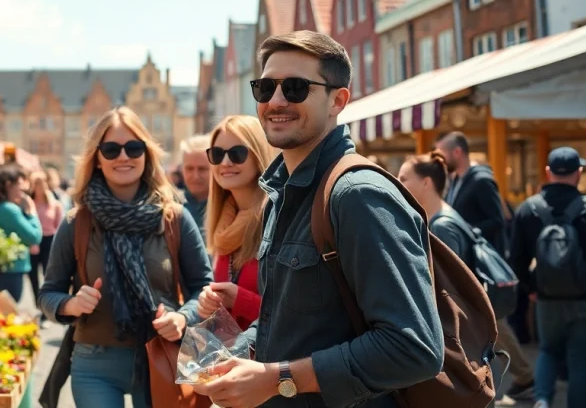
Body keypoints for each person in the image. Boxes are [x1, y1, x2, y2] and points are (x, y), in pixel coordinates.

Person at [194, 30, 443, 408]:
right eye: (265, 88)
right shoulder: (282, 195)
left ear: (337, 100)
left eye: (295, 88)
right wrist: (235, 355)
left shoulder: (356, 194)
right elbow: (284, 324)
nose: (276, 101)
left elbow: (414, 348)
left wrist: (278, 379)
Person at [37, 106, 212, 408]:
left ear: (146, 156)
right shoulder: (76, 222)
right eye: (111, 149)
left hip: (161, 355)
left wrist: (182, 317)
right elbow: (48, 293)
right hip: (94, 363)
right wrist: (70, 304)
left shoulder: (174, 218)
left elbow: (203, 287)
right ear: (97, 159)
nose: (123, 156)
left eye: (134, 148)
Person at [399, 151, 535, 404]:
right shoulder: (443, 217)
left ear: (426, 182)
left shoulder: (442, 226)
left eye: (404, 178)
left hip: (461, 335)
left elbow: (445, 289)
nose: (398, 182)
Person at [509, 147, 586, 408]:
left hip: (547, 298)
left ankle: (542, 401)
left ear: (548, 173)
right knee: (580, 360)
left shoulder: (529, 209)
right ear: (579, 173)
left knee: (547, 351)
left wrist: (531, 288)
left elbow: (515, 259)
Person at [196, 115, 273, 330]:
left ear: (258, 156)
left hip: (272, 360)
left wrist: (240, 300)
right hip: (233, 356)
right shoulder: (223, 225)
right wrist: (207, 304)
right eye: (217, 154)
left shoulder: (276, 218)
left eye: (237, 153)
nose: (226, 162)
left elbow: (295, 314)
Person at [435, 131, 509, 253]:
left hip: (482, 257)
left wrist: (467, 231)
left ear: (457, 152)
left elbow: (497, 221)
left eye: (442, 155)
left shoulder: (481, 181)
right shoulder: (455, 181)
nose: (440, 160)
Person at [0, 165, 42, 303]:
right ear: (8, 185)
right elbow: (34, 237)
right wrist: (31, 212)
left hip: (3, 269)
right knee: (9, 311)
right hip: (10, 271)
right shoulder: (9, 209)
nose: (24, 189)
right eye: (20, 184)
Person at [28, 171, 63, 303]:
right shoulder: (29, 203)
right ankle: (37, 301)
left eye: (41, 183)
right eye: (36, 183)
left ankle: (47, 300)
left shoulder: (55, 204)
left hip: (49, 241)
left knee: (47, 274)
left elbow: (59, 227)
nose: (39, 186)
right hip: (33, 241)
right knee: (33, 275)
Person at [179, 134, 212, 240]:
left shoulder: (229, 207)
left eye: (202, 169)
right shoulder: (170, 206)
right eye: (189, 168)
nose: (195, 176)